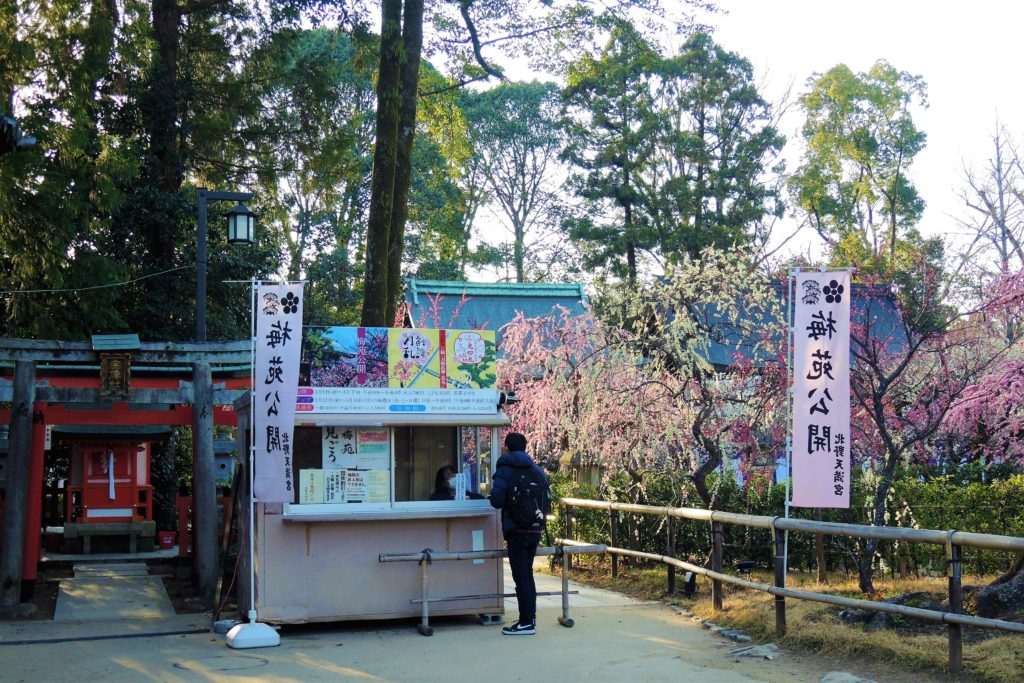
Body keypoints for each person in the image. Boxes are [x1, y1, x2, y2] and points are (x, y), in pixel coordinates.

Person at [489, 432, 548, 635]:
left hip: (516, 530)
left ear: (506, 447)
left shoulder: (505, 468)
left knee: (521, 576)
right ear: (524, 447)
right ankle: (529, 619)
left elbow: (496, 500)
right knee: (528, 575)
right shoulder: (537, 470)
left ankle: (526, 623)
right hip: (535, 528)